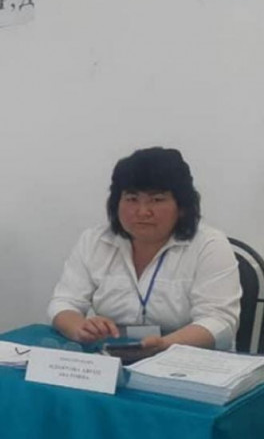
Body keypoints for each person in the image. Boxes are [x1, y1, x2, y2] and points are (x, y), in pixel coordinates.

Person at [48, 147, 242, 363]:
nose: (142, 211)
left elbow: (220, 322)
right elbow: (64, 303)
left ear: (182, 206)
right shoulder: (94, 241)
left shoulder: (209, 245)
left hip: (189, 361)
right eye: (131, 199)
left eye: (157, 200)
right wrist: (80, 328)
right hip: (113, 356)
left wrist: (165, 345)